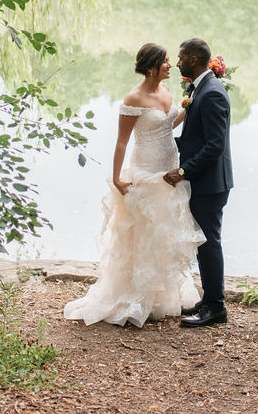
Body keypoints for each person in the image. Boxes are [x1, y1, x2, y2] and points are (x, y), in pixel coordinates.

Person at [63, 43, 205, 327]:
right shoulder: (134, 98)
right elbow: (121, 141)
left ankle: (162, 297)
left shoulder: (166, 92)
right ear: (152, 66)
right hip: (145, 171)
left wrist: (187, 109)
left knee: (165, 234)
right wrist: (117, 177)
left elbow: (166, 126)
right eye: (165, 62)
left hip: (168, 170)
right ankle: (136, 296)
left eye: (170, 61)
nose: (170, 65)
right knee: (143, 234)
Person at [163, 37, 234, 328]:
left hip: (210, 184)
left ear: (193, 59)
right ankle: (208, 300)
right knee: (203, 243)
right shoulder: (202, 89)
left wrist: (183, 172)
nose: (177, 62)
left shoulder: (212, 92)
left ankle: (216, 308)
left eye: (180, 57)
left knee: (209, 243)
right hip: (204, 182)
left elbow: (214, 146)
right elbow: (196, 138)